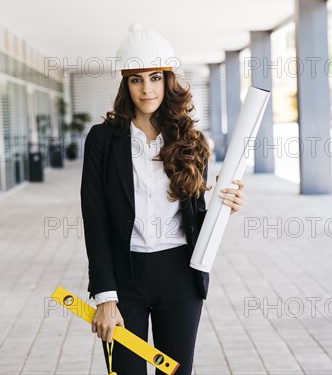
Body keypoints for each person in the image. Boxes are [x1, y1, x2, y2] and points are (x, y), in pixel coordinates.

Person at [80, 24, 245, 375]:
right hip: (125, 279)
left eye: (155, 77)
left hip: (180, 276)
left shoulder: (191, 140)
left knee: (176, 373)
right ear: (125, 84)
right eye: (136, 79)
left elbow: (195, 217)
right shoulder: (102, 141)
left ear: (167, 80)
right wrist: (105, 297)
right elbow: (95, 220)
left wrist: (223, 204)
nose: (147, 88)